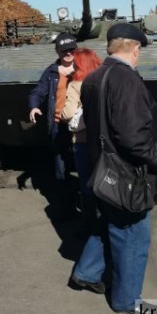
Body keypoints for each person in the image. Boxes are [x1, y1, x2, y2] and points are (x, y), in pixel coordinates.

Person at [70, 23, 157, 314]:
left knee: (108, 223)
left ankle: (86, 273)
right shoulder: (126, 80)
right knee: (134, 235)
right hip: (128, 173)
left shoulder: (94, 77)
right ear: (135, 49)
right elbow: (133, 137)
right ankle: (127, 300)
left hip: (102, 168)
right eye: (140, 52)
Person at [28, 32, 78, 219]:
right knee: (61, 166)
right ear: (57, 51)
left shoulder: (83, 68)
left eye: (71, 49)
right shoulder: (51, 72)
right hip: (58, 125)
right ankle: (66, 206)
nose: (68, 53)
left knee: (85, 165)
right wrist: (33, 107)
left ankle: (90, 205)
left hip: (81, 127)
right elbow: (37, 92)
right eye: (64, 50)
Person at [60, 48, 102, 222]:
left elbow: (68, 114)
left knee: (86, 181)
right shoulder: (105, 79)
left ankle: (90, 222)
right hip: (106, 139)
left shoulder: (76, 84)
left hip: (83, 140)